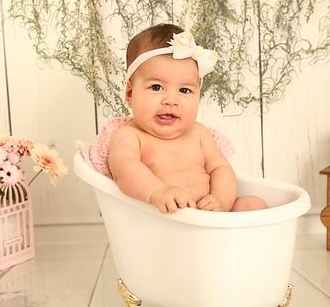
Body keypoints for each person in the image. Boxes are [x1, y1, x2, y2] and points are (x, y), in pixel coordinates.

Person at [108, 23, 267, 213]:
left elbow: (220, 169)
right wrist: (158, 192)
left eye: (184, 90)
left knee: (254, 204)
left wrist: (220, 199)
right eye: (156, 87)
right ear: (130, 93)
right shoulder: (129, 136)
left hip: (209, 213)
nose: (171, 100)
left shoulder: (199, 133)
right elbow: (125, 170)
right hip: (164, 218)